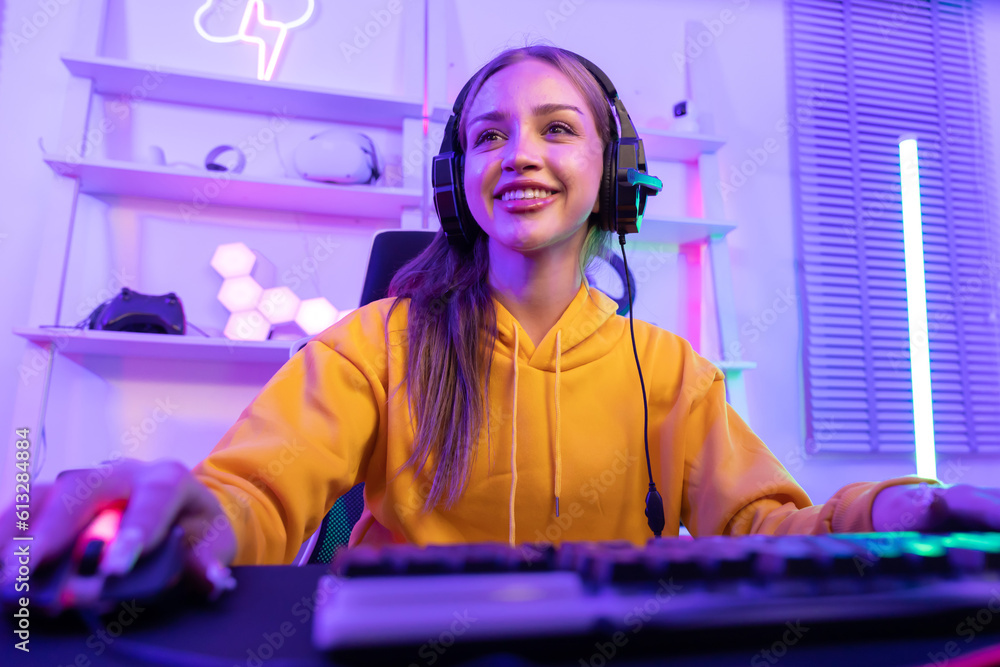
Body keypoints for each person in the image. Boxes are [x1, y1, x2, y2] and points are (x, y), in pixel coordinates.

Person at [3, 45, 999, 598]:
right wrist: (198, 518)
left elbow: (763, 525)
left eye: (557, 129)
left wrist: (893, 511)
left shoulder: (667, 369)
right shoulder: (372, 343)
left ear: (614, 175)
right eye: (489, 135)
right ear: (458, 181)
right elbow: (256, 497)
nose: (519, 153)